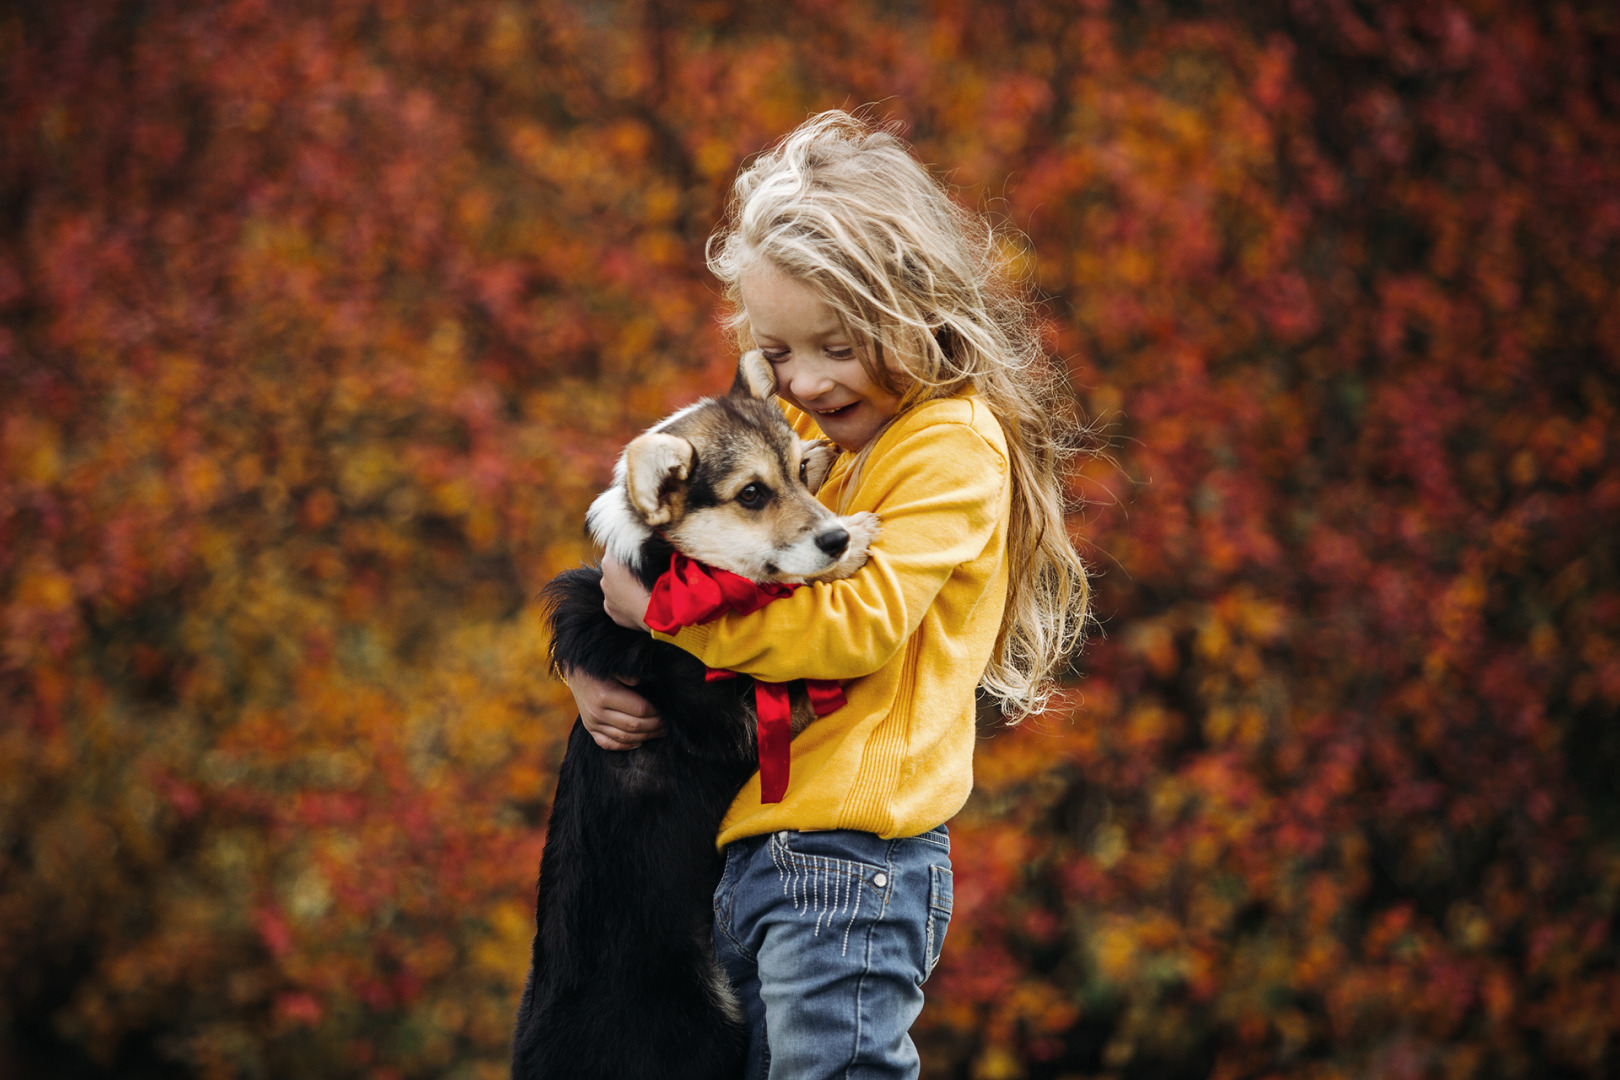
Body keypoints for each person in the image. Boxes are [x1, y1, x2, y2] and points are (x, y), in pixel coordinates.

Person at [565, 110, 1090, 1080]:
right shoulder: (830, 448)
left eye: (837, 348)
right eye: (777, 352)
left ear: (917, 309)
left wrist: (671, 622)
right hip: (763, 852)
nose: (801, 381)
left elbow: (853, 628)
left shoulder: (948, 445)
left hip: (854, 865)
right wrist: (595, 669)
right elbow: (687, 549)